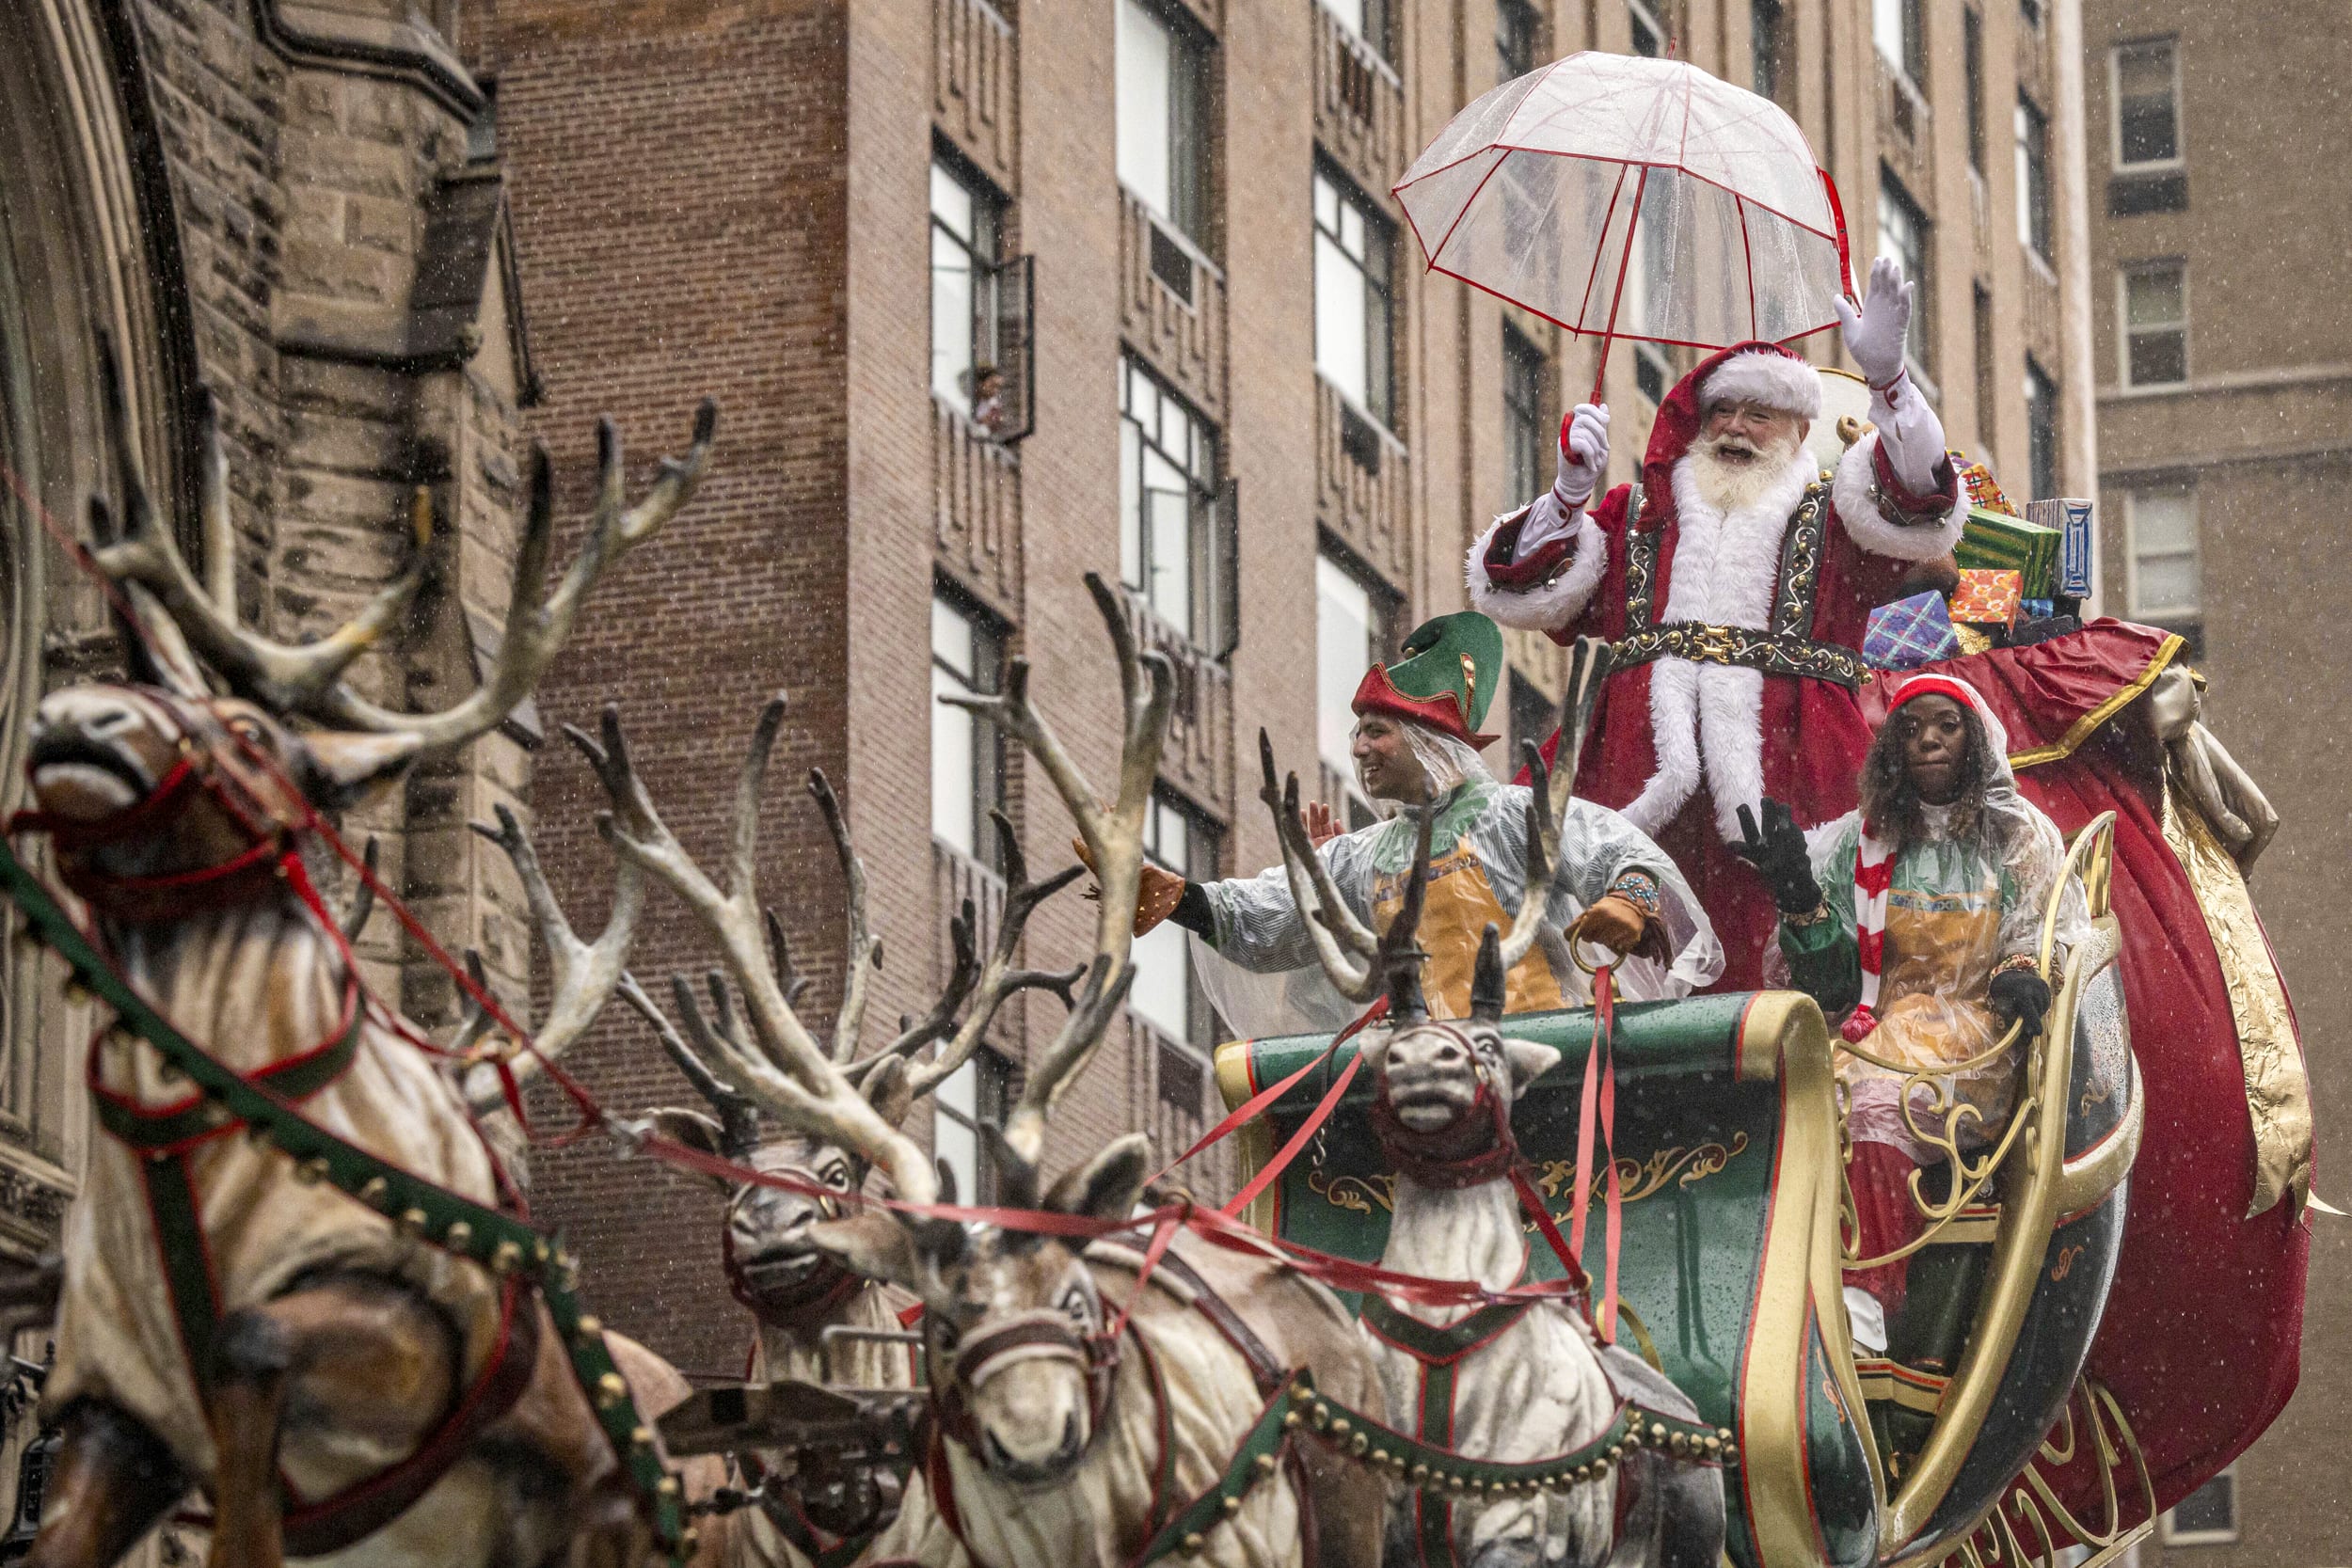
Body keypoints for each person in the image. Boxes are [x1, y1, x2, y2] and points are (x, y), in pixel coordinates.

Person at [1465, 258, 1966, 989]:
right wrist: (1570, 494)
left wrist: (1891, 386)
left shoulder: (1837, 520)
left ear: (1800, 429)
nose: (1734, 428)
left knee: (1799, 988)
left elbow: (1919, 499)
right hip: (1635, 784)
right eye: (1721, 413)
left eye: (1757, 415)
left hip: (1796, 786)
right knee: (1594, 981)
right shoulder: (1637, 517)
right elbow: (1529, 589)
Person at [1132, 611, 1722, 1037]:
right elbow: (1273, 912)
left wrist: (1630, 897)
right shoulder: (1365, 855)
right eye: (1356, 733)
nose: (1359, 749)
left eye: (1376, 732)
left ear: (1428, 743)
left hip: (1545, 1056)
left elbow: (1617, 850)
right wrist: (1182, 900)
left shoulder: (1514, 813)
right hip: (1432, 1075)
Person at [1732, 673, 2086, 1352]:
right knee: (1799, 1104)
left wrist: (2023, 972)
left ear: (1975, 739)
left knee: (1870, 1104)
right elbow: (1832, 986)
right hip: (1874, 1031)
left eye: (1944, 725)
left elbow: (2044, 930)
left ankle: (1862, 1306)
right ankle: (1784, 1300)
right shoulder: (1856, 843)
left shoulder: (2017, 836)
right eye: (1911, 726)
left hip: (1975, 1038)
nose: (1926, 738)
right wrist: (1801, 894)